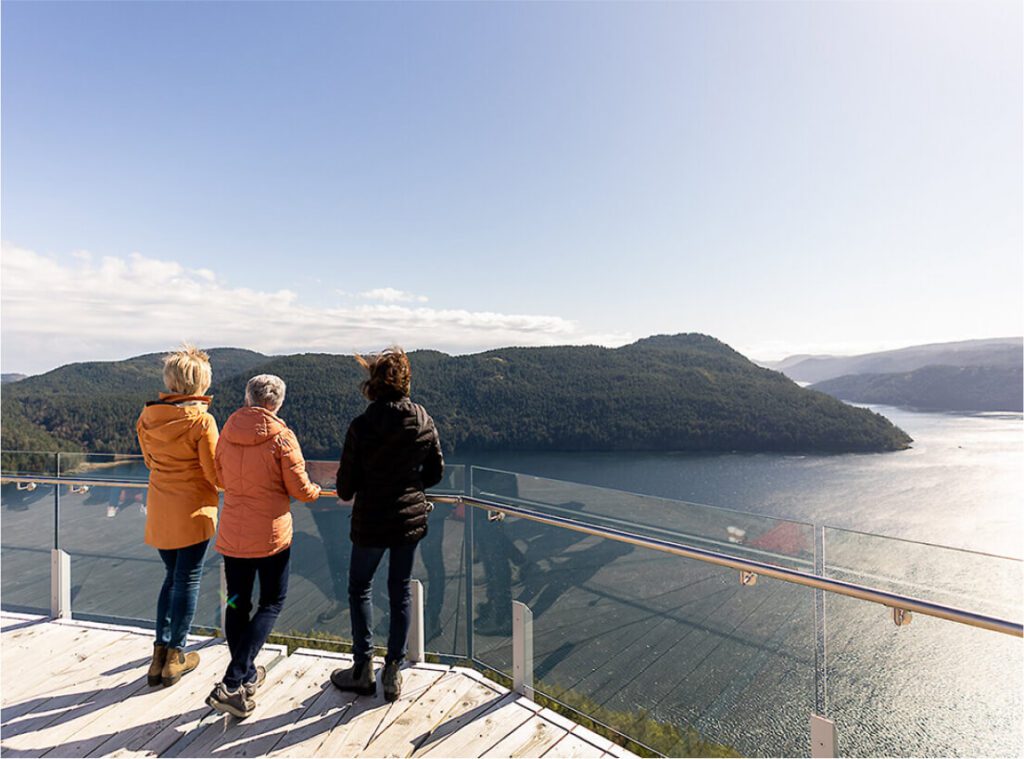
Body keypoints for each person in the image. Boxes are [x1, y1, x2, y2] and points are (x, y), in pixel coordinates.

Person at [330, 347, 443, 702]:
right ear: (406, 381)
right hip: (408, 521)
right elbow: (435, 472)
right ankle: (392, 671)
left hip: (371, 521)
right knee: (400, 590)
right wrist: (410, 484)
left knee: (360, 587)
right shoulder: (423, 419)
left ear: (373, 383)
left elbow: (345, 487)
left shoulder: (362, 426)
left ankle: (362, 667)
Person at [207, 374, 322, 718]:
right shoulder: (282, 438)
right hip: (271, 537)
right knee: (272, 602)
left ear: (248, 398)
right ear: (278, 403)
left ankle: (243, 678)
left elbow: (221, 477)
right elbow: (300, 488)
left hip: (232, 534)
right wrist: (316, 491)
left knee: (236, 603)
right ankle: (232, 681)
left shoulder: (227, 432)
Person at [136, 344, 220, 688]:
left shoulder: (147, 417)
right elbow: (215, 473)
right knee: (187, 579)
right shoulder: (202, 420)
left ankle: (159, 656)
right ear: (200, 383)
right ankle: (176, 656)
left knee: (171, 577)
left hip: (160, 506)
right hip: (194, 509)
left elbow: (149, 462)